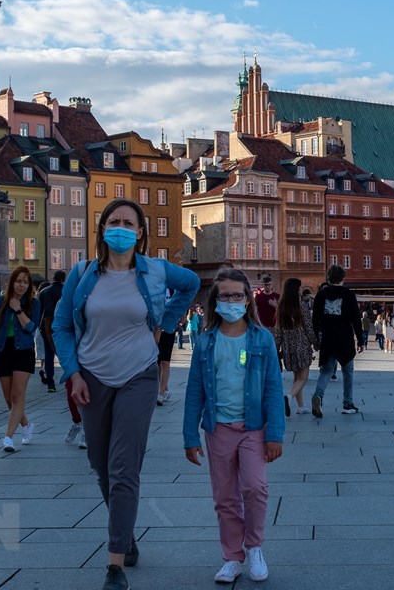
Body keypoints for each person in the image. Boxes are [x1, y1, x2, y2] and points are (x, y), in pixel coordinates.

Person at [52, 198, 199, 590]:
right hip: (92, 379)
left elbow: (192, 284)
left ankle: (114, 565)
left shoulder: (155, 271)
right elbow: (61, 326)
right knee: (100, 466)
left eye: (128, 222)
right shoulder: (83, 274)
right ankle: (127, 537)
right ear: (102, 229)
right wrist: (73, 374)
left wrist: (165, 324)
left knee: (123, 469)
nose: (120, 228)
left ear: (140, 232)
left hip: (138, 376)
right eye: (113, 221)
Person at [184, 267, 285, 584]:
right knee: (225, 497)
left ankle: (254, 548)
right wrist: (190, 435)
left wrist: (275, 435)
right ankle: (232, 556)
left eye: (236, 295)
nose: (230, 300)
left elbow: (272, 387)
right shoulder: (205, 342)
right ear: (215, 300)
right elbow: (194, 391)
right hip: (218, 430)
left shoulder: (262, 339)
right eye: (224, 295)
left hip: (254, 428)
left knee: (255, 488)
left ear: (247, 300)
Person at [0, 266, 41, 453]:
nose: (22, 285)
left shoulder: (33, 303)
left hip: (23, 350)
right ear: (11, 282)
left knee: (17, 396)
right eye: (18, 281)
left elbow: (31, 328)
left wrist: (18, 310)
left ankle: (8, 437)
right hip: (3, 350)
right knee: (9, 399)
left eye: (25, 282)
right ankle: (26, 424)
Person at [310, 264, 365, 418]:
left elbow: (315, 320)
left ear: (328, 277)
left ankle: (318, 396)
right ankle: (347, 403)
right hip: (344, 339)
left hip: (327, 338)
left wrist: (315, 338)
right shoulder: (348, 294)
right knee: (348, 372)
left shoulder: (321, 295)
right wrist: (361, 340)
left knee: (326, 371)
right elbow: (356, 319)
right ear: (343, 278)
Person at [273, 277, 319, 415]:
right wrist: (315, 342)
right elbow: (308, 328)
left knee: (296, 376)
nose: (300, 290)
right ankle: (288, 397)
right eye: (299, 288)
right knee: (303, 377)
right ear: (295, 290)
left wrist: (276, 347)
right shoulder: (302, 307)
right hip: (302, 345)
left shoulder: (281, 308)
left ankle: (301, 406)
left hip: (287, 348)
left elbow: (278, 332)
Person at [37, 270, 66, 392]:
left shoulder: (43, 292)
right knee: (65, 352)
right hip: (62, 326)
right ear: (63, 279)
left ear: (53, 278)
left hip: (45, 326)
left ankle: (50, 383)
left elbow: (39, 310)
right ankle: (69, 379)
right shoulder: (65, 291)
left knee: (49, 354)